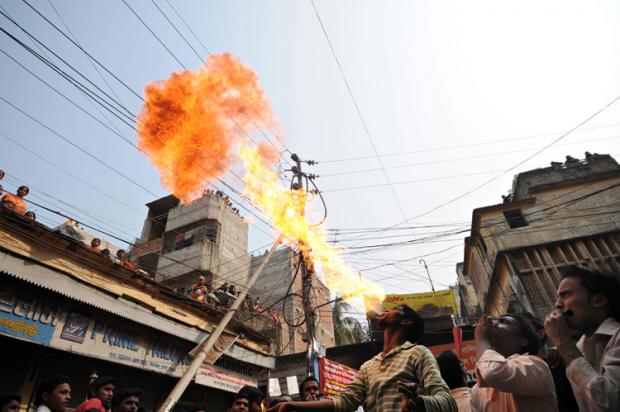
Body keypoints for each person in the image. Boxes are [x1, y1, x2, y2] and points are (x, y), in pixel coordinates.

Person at [270, 304, 457, 412]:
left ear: (406, 321)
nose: (386, 309)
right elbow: (343, 403)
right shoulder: (368, 366)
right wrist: (292, 406)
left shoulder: (418, 353)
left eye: (395, 308)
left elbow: (448, 402)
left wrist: (420, 403)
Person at [544, 266, 620, 412]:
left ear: (598, 300)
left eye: (565, 295)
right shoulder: (580, 347)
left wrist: (564, 343)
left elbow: (609, 405)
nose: (557, 305)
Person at [471, 313, 558, 412]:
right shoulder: (477, 390)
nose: (493, 323)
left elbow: (492, 372)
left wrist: (482, 339)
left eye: (503, 321)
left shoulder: (535, 366)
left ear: (522, 341)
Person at [520, 313, 578, 412]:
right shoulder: (519, 371)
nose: (519, 336)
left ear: (541, 333)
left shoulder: (559, 358)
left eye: (523, 330)